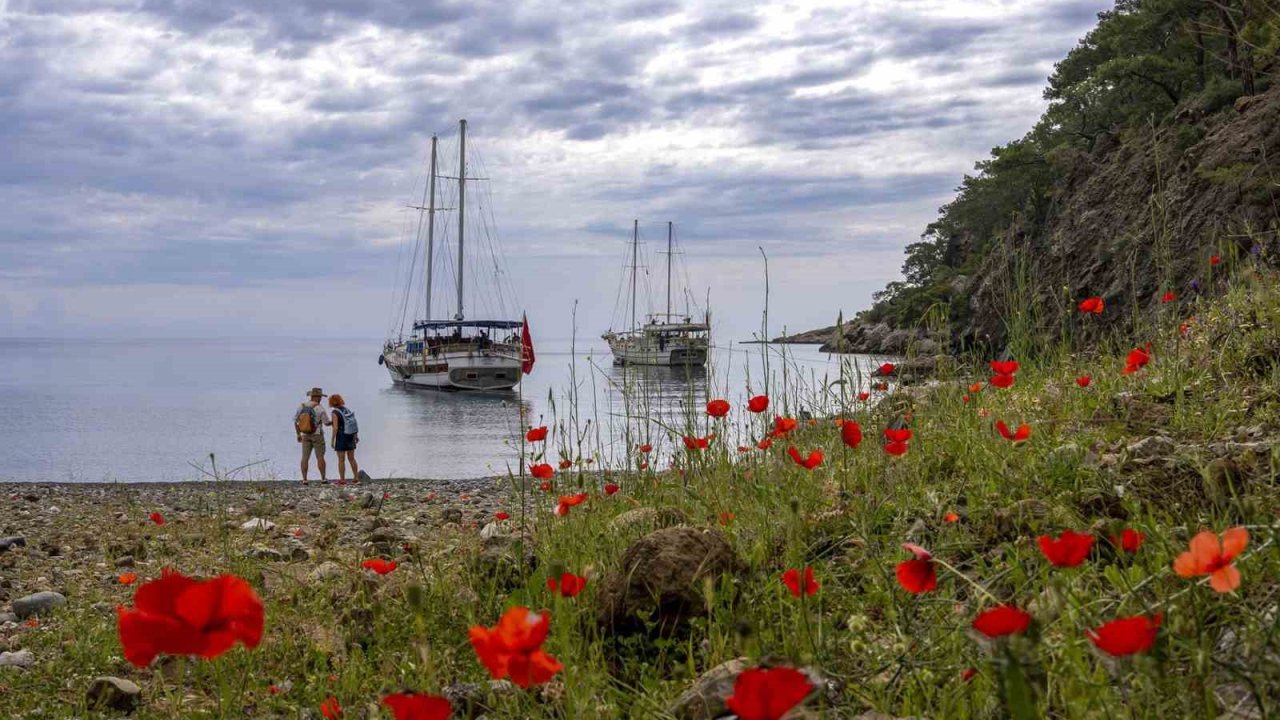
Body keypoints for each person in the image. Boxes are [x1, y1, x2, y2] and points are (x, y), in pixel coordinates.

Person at [294, 387, 331, 484]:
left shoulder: (301, 406)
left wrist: (298, 434)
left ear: (311, 396)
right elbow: (326, 422)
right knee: (320, 457)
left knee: (305, 457)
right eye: (320, 397)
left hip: (305, 435)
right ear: (318, 397)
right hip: (317, 435)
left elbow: (296, 421)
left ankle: (305, 479)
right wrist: (333, 423)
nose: (321, 399)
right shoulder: (320, 408)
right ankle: (323, 478)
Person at [328, 393, 360, 483]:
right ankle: (356, 477)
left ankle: (342, 479)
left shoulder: (335, 412)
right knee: (352, 458)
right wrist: (356, 436)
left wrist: (332, 440)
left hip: (341, 436)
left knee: (341, 460)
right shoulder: (347, 410)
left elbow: (335, 428)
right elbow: (353, 424)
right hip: (350, 435)